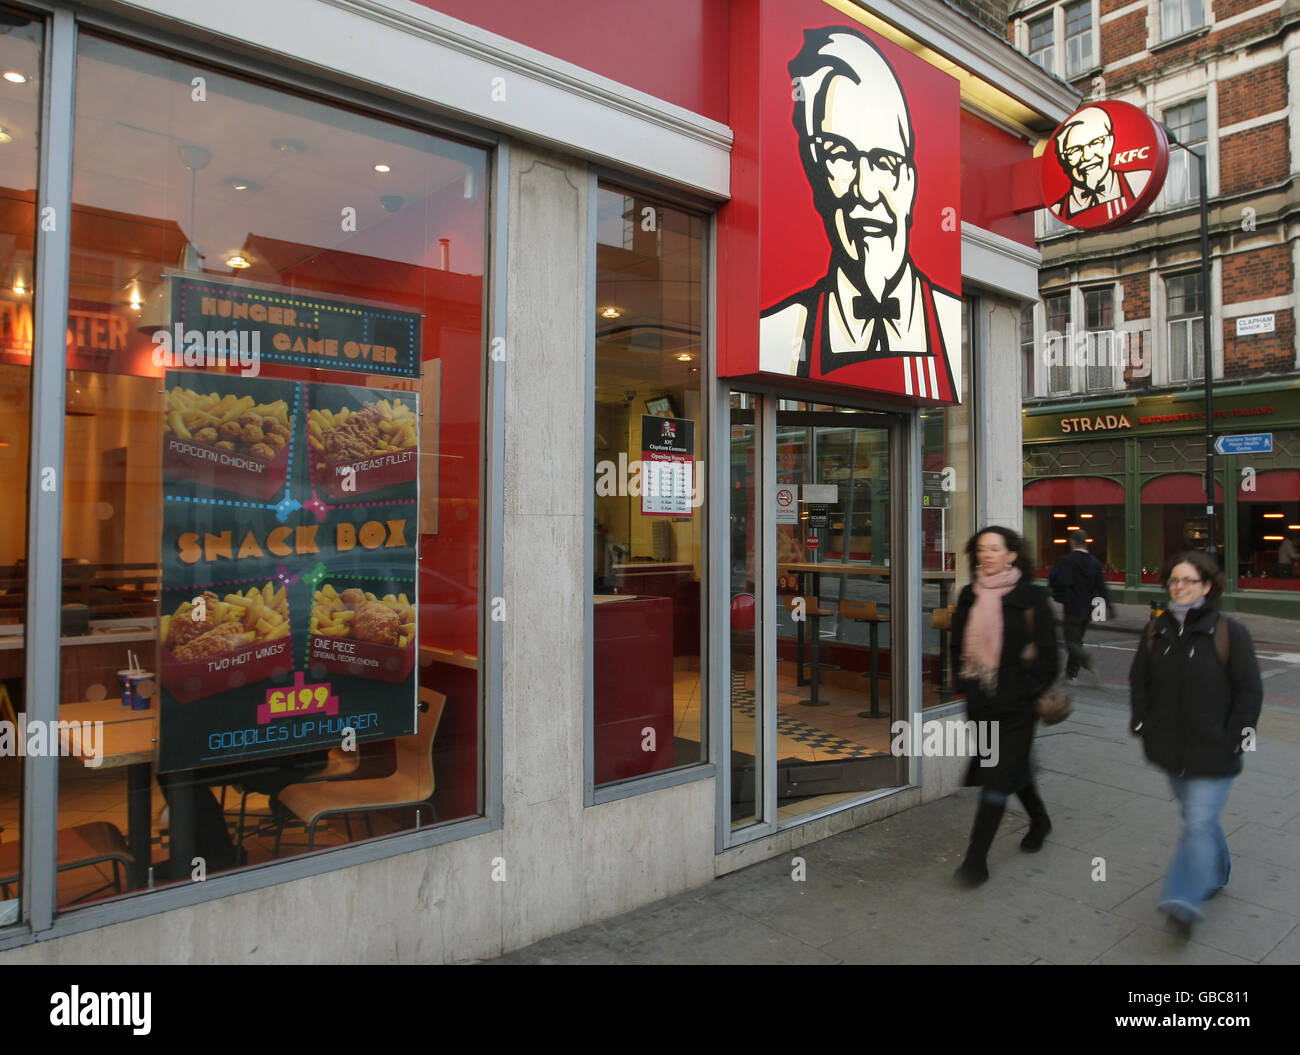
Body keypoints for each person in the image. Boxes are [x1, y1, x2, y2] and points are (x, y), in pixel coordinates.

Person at [759, 26, 961, 399]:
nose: (866, 191)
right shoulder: (781, 331)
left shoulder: (955, 331)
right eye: (840, 156)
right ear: (816, 175)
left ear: (911, 182)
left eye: (885, 162)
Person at [1129, 551, 1262, 940]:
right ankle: (1217, 872)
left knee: (1199, 822)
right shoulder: (1156, 631)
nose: (1179, 587)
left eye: (1188, 580)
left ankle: (1183, 902)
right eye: (1173, 580)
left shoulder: (1228, 632)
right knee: (1198, 819)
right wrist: (1143, 724)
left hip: (1215, 749)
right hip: (1171, 748)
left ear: (1206, 585)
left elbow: (1250, 692)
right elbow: (1140, 681)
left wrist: (1235, 738)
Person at [949, 526, 1059, 887]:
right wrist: (965, 684)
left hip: (1017, 709)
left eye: (995, 549)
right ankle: (1040, 819)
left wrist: (1023, 692)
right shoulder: (969, 594)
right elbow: (957, 647)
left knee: (995, 779)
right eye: (981, 549)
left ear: (1012, 555)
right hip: (981, 703)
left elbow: (1049, 658)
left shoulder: (1030, 598)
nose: (987, 555)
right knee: (1011, 768)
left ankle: (975, 861)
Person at [1049, 105, 1152, 224]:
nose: (1087, 156)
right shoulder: (1057, 209)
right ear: (1064, 158)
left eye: (1095, 143)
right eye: (1075, 150)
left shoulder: (1138, 182)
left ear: (1110, 143)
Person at [1047, 528, 1111, 679]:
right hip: (1087, 609)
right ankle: (1071, 674)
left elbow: (1061, 582)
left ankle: (1087, 660)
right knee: (1077, 641)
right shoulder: (1095, 564)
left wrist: (1062, 596)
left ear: (1073, 542)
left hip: (1071, 607)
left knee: (1070, 642)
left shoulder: (1067, 561)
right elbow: (1102, 587)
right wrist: (1110, 607)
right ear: (1086, 543)